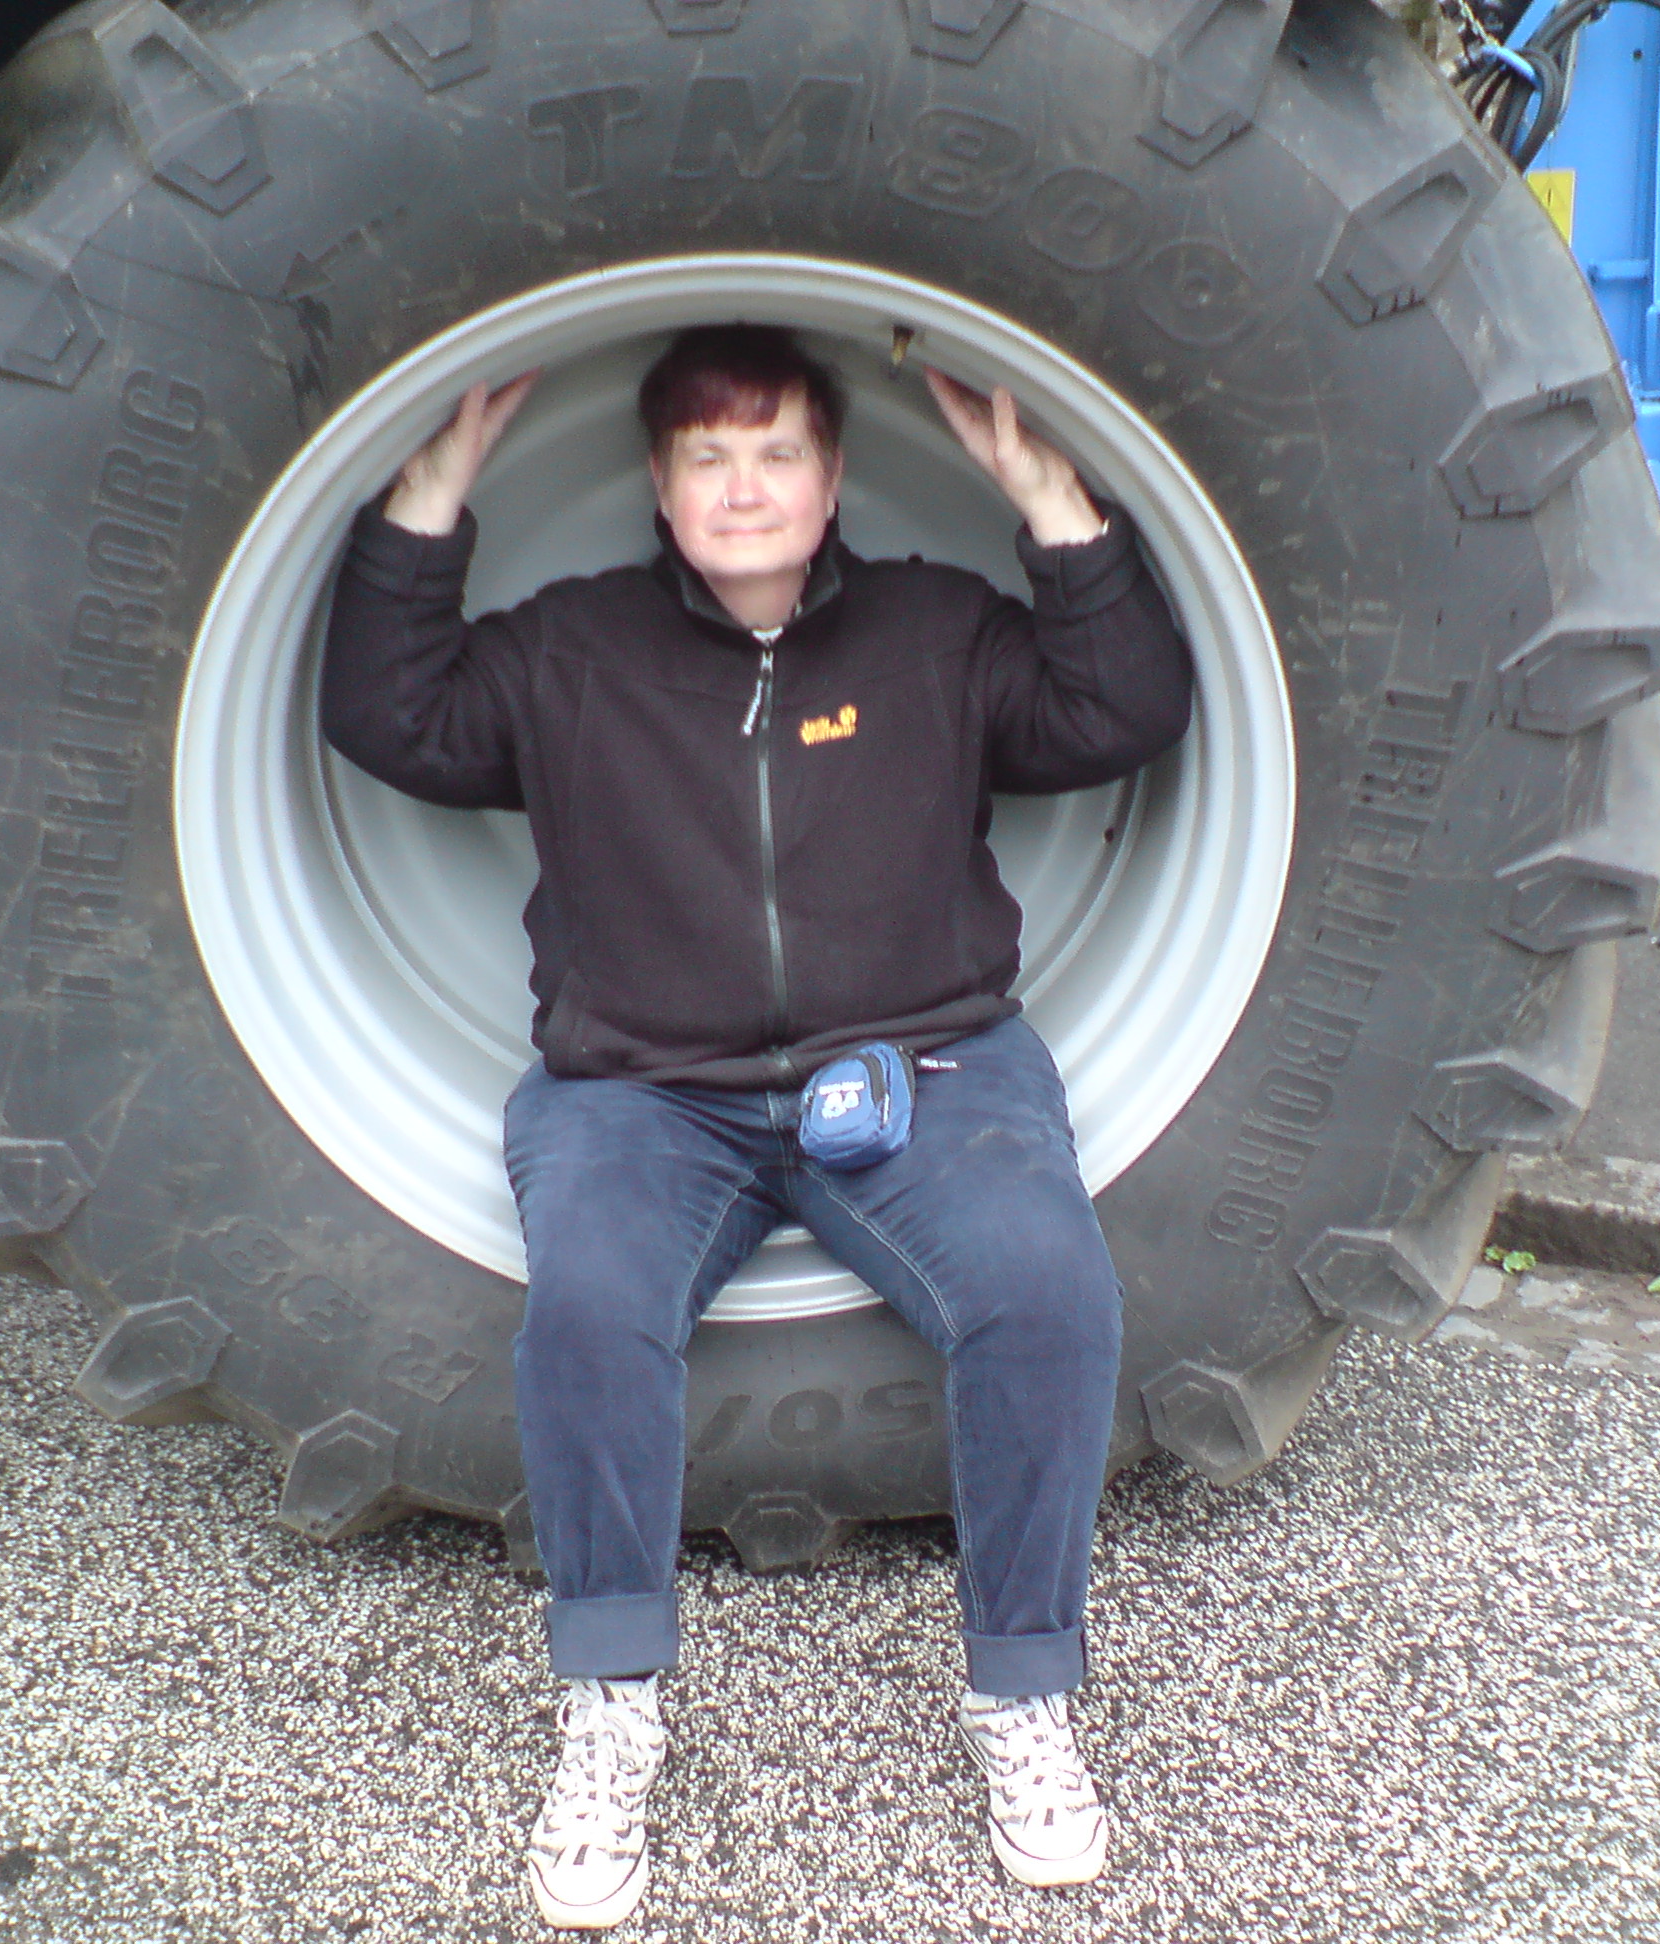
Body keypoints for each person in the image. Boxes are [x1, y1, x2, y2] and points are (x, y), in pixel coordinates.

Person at [320, 325, 1191, 1930]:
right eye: (707, 457)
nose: (743, 488)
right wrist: (427, 502)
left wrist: (1051, 502)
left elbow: (1122, 709)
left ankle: (1023, 1698)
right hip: (644, 1091)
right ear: (658, 486)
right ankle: (609, 1708)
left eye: (777, 451)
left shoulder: (937, 629)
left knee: (1045, 1286)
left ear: (832, 476)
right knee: (590, 1304)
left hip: (924, 1067)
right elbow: (392, 719)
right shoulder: (571, 649)